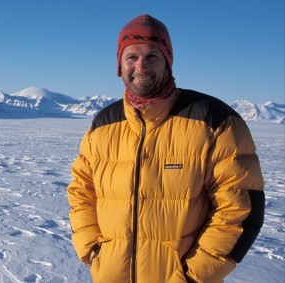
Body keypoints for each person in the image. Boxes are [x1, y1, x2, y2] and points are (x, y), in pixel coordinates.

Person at [67, 14, 265, 283]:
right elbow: (82, 191)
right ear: (119, 65)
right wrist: (92, 249)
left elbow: (239, 210)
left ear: (168, 62)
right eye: (131, 57)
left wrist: (192, 276)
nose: (141, 66)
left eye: (152, 56)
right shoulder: (104, 124)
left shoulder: (213, 119)